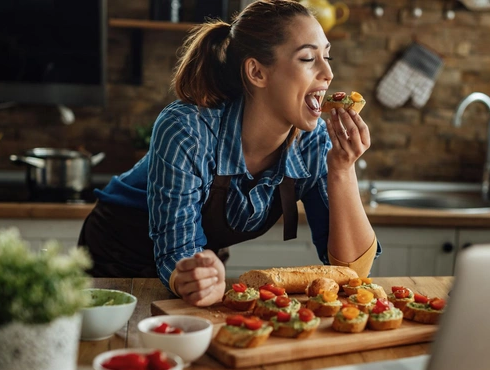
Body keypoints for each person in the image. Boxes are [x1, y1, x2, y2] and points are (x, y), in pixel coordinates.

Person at [78, 0, 381, 307]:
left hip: (195, 266)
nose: (328, 73)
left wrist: (344, 170)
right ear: (257, 72)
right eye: (308, 58)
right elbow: (176, 250)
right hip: (115, 263)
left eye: (327, 57)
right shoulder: (187, 129)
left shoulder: (313, 142)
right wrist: (195, 276)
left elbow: (352, 273)